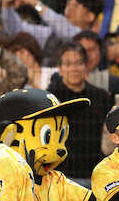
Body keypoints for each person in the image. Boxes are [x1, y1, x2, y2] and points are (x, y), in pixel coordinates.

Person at [0, 0, 103, 66]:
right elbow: (17, 31)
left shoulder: (88, 40)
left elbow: (65, 30)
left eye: (75, 6)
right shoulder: (52, 33)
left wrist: (34, 3)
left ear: (90, 16)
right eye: (68, 5)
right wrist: (6, 7)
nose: (68, 10)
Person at [47, 43, 112, 179]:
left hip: (96, 173)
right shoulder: (50, 99)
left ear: (86, 67)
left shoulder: (101, 97)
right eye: (68, 64)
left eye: (79, 63)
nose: (74, 69)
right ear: (59, 69)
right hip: (61, 175)